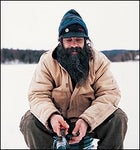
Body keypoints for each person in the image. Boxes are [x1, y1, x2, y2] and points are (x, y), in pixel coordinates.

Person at [19, 9, 128, 149]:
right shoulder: (47, 61)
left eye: (78, 39)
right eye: (69, 40)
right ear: (61, 42)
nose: (74, 44)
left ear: (85, 41)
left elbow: (110, 94)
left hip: (90, 121)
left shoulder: (98, 61)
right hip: (57, 121)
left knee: (118, 118)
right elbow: (37, 95)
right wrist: (52, 116)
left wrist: (87, 120)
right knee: (29, 121)